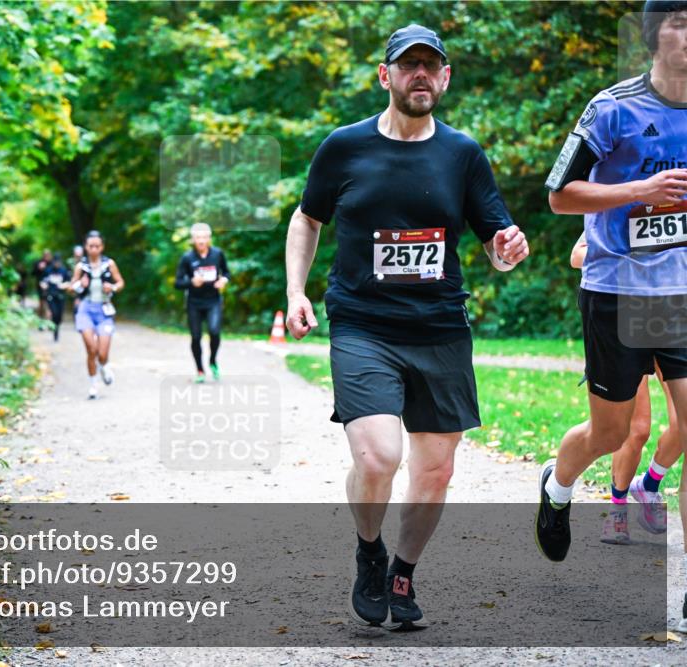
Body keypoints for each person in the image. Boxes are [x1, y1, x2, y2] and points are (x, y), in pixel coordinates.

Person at [285, 24, 529, 629]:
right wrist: (295, 291)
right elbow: (307, 218)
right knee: (378, 457)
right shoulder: (344, 147)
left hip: (440, 328)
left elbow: (494, 241)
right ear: (385, 75)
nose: (420, 75)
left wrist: (507, 250)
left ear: (444, 78)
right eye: (408, 65)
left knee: (436, 469)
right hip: (363, 324)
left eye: (431, 66)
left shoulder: (463, 154)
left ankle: (402, 572)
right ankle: (369, 550)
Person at [536, 0, 687, 562]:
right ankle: (558, 485)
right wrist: (637, 192)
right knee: (611, 434)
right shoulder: (612, 109)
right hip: (618, 293)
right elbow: (558, 195)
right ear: (653, 35)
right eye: (679, 21)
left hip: (681, 295)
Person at [570, 233, 681, 544]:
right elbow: (577, 256)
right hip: (625, 312)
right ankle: (617, 509)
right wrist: (624, 256)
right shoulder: (620, 195)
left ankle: (648, 484)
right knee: (636, 429)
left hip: (672, 311)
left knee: (682, 424)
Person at [70, 231, 125, 399]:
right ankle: (93, 385)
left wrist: (113, 288)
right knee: (91, 349)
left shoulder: (109, 264)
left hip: (104, 310)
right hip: (85, 309)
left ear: (102, 247)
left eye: (97, 246)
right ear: (86, 247)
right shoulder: (81, 266)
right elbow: (71, 288)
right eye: (90, 246)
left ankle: (104, 365)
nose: (94, 249)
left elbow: (121, 282)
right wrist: (80, 284)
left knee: (102, 352)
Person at [174, 223, 230, 382]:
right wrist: (191, 282)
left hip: (213, 301)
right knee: (196, 337)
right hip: (194, 302)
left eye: (205, 237)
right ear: (193, 239)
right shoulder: (187, 258)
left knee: (214, 331)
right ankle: (199, 370)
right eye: (198, 237)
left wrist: (224, 280)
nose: (201, 241)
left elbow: (226, 272)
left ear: (209, 238)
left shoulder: (218, 254)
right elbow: (177, 283)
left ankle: (212, 360)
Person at [40, 253, 71, 342]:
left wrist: (63, 285)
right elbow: (43, 281)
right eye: (55, 262)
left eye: (58, 262)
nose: (57, 264)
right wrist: (44, 285)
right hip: (51, 295)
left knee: (59, 316)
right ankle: (55, 331)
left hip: (61, 296)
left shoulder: (64, 271)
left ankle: (56, 326)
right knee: (54, 313)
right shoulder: (48, 270)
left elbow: (69, 282)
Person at [32, 250, 53, 323]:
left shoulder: (52, 263)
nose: (47, 256)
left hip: (51, 286)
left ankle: (49, 321)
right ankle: (41, 319)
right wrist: (39, 268)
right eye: (45, 255)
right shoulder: (38, 263)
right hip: (40, 286)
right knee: (42, 303)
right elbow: (33, 273)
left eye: (48, 255)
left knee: (50, 303)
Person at [69, 244, 85, 320]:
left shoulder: (86, 262)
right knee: (77, 301)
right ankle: (77, 317)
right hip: (74, 284)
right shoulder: (70, 262)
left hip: (84, 284)